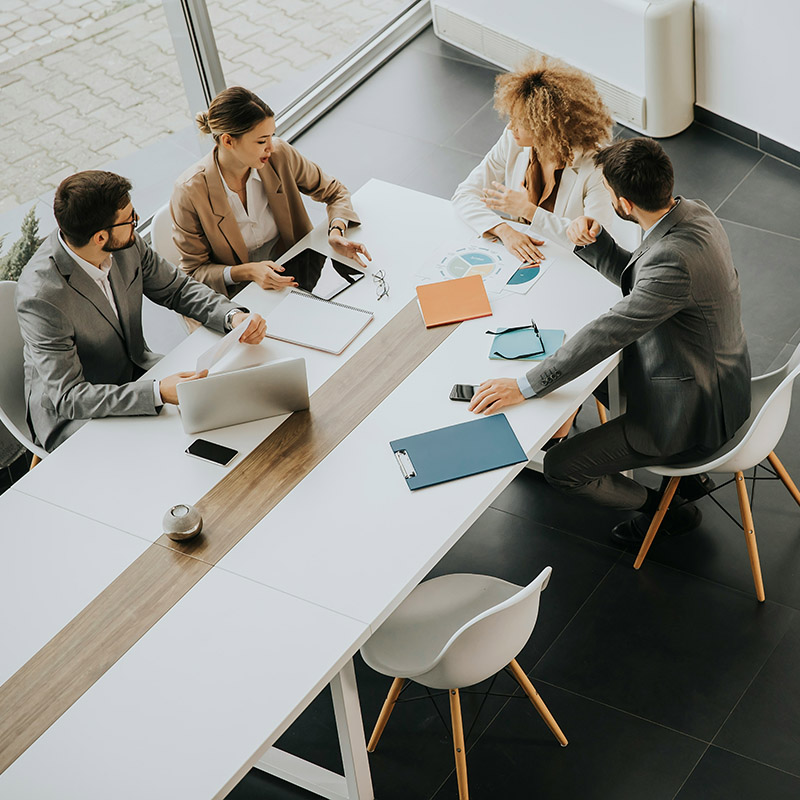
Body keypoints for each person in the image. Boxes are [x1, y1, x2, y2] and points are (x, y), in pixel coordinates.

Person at [468, 137, 751, 543]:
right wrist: (595, 241)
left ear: (624, 204)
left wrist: (525, 385)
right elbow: (643, 279)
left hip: (691, 415)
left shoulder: (674, 261)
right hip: (717, 378)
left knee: (562, 468)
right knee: (585, 371)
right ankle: (686, 483)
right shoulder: (693, 214)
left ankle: (663, 509)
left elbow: (609, 330)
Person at [16, 170, 267, 452]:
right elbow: (70, 397)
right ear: (100, 237)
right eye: (130, 219)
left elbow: (177, 289)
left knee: (229, 413)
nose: (136, 224)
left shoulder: (125, 244)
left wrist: (232, 316)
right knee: (172, 449)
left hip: (137, 373)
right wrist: (156, 392)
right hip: (76, 415)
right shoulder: (41, 297)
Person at [170, 86, 371, 298]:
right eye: (260, 141)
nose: (271, 147)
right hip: (239, 297)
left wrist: (336, 231)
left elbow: (334, 191)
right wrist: (246, 272)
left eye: (271, 136)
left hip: (299, 275)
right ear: (228, 141)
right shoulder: (189, 192)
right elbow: (194, 272)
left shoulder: (280, 156)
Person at [452, 55, 616, 263]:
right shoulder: (513, 140)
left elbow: (599, 243)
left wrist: (528, 211)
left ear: (546, 126)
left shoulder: (596, 168)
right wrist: (504, 230)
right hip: (522, 255)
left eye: (519, 121)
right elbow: (464, 194)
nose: (511, 127)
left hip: (567, 260)